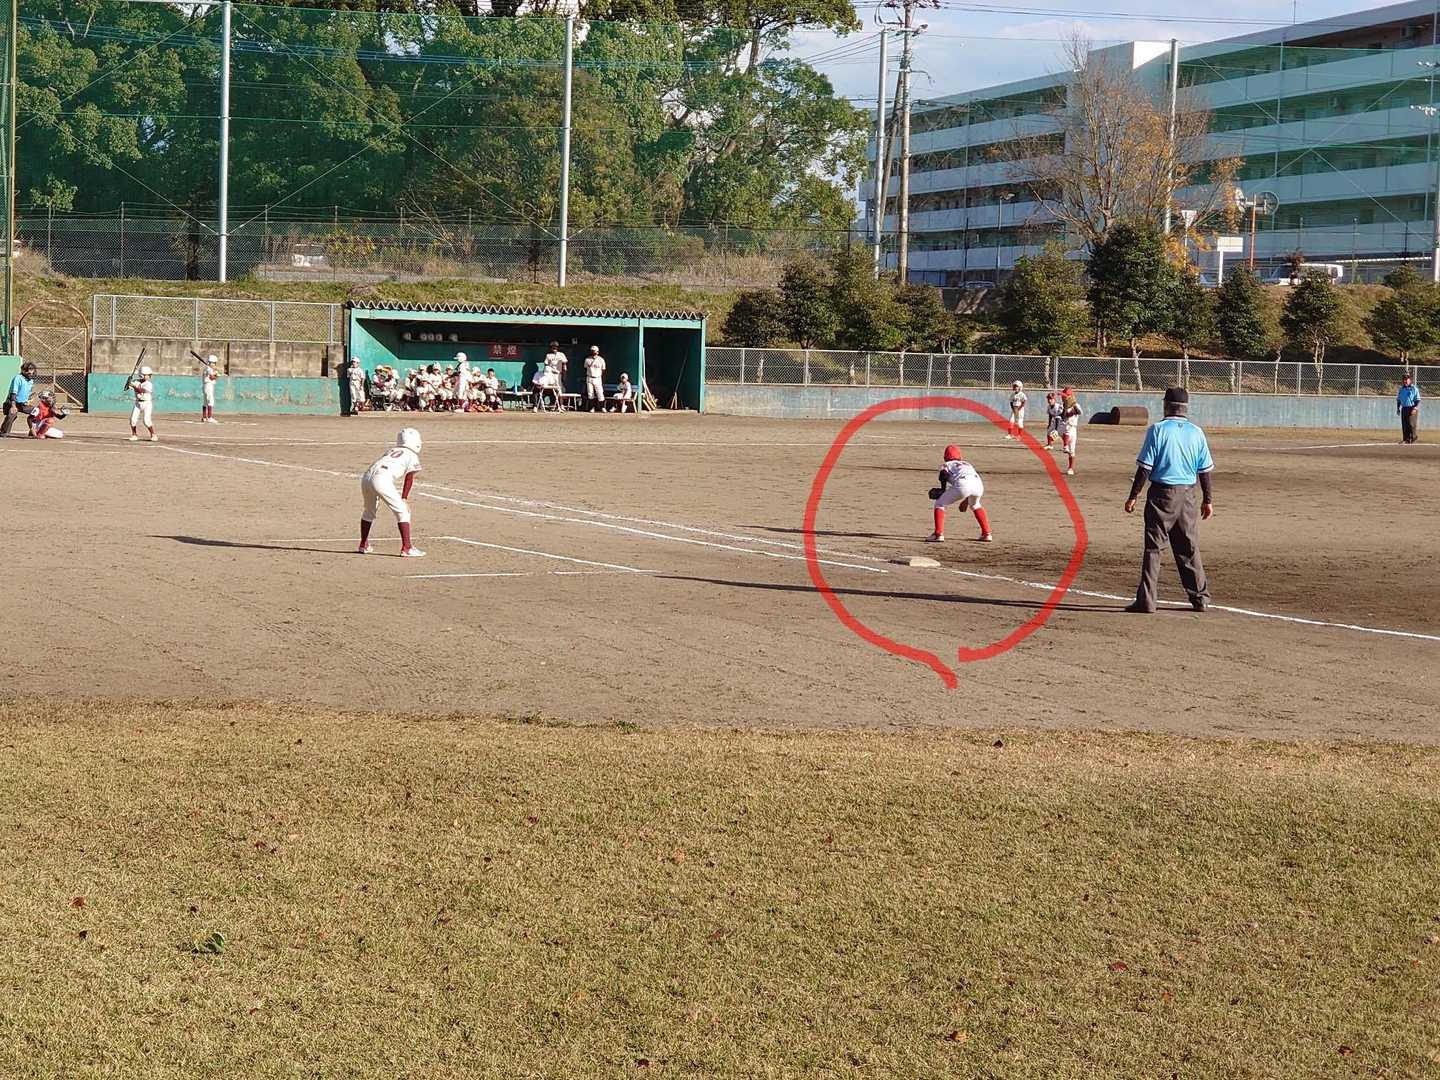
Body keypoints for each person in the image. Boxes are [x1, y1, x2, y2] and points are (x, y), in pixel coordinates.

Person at [1123, 387, 1213, 614]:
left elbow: (1145, 468)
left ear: (1166, 405)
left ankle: (1147, 601)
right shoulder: (1196, 432)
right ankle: (1200, 599)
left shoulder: (1158, 430)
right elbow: (1204, 471)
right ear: (1186, 408)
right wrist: (1208, 500)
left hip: (1162, 496)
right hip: (1188, 496)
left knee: (1154, 548)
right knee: (1188, 547)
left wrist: (1133, 496)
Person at [358, 427, 425, 558]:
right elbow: (409, 478)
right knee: (403, 512)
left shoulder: (392, 450)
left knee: (369, 511)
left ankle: (363, 544)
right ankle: (407, 548)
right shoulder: (412, 455)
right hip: (381, 479)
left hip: (366, 477)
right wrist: (404, 498)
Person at [927, 444, 992, 543]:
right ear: (960, 457)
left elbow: (943, 474)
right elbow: (970, 484)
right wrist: (966, 501)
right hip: (978, 485)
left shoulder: (946, 464)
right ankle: (986, 534)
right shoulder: (967, 464)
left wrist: (942, 489)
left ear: (945, 457)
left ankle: (938, 534)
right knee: (975, 505)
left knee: (939, 503)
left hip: (963, 484)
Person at [1, 360, 36, 437]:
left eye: (32, 371)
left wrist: (28, 400)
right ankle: (3, 432)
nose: (31, 373)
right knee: (12, 414)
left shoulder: (31, 381)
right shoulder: (18, 378)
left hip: (23, 404)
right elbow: (13, 393)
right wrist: (13, 406)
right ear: (23, 371)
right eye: (28, 371)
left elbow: (27, 393)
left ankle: (32, 429)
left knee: (37, 412)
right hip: (12, 402)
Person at [129, 365, 157, 443]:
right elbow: (127, 388)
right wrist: (128, 382)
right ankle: (134, 435)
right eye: (146, 375)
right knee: (133, 420)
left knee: (146, 421)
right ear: (141, 375)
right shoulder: (136, 381)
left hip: (147, 404)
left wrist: (133, 386)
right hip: (138, 403)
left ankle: (153, 434)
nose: (148, 376)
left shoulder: (149, 384)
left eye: (149, 375)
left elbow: (141, 390)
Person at [1060, 389, 1082, 476]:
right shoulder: (1063, 405)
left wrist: (1074, 405)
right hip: (1064, 425)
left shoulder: (1076, 405)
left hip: (1073, 428)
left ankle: (1070, 468)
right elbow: (1063, 416)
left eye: (1064, 396)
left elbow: (1080, 412)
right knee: (1066, 431)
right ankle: (1065, 446)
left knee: (1072, 451)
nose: (1062, 397)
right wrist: (1067, 408)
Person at [1397, 374, 1421, 444]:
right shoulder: (1401, 389)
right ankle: (1406, 439)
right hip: (1404, 408)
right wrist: (1398, 408)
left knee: (1411, 424)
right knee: (1404, 424)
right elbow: (1399, 400)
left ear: (1410, 380)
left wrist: (1415, 408)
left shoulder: (1414, 389)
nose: (1405, 381)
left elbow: (1417, 399)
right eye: (1403, 380)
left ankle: (1413, 437)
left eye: (1406, 380)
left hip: (1412, 408)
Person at [583, 345, 606, 412]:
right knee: (590, 393)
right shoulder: (587, 359)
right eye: (592, 351)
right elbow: (585, 368)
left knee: (600, 393)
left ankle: (602, 407)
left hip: (597, 378)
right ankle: (592, 408)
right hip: (589, 377)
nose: (593, 352)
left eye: (595, 351)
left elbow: (603, 369)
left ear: (598, 352)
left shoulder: (601, 359)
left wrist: (599, 375)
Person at [200, 354, 220, 424]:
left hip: (205, 386)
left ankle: (204, 417)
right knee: (210, 401)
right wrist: (217, 375)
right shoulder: (209, 369)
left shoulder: (206, 368)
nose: (214, 365)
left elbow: (211, 375)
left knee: (205, 402)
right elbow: (212, 378)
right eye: (214, 363)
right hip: (208, 385)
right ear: (211, 362)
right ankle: (209, 417)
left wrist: (215, 373)